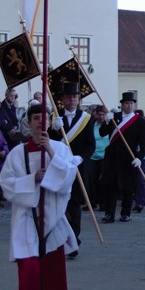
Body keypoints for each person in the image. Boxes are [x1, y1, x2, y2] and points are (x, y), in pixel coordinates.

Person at [0, 103, 80, 290]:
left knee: (49, 271)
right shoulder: (18, 152)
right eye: (36, 119)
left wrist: (52, 155)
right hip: (26, 217)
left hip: (52, 218)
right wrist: (32, 179)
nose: (40, 123)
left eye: (44, 119)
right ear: (29, 122)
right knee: (29, 269)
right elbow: (6, 183)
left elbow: (68, 178)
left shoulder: (59, 149)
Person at [55, 82, 95, 251]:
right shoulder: (55, 118)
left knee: (75, 204)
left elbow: (90, 144)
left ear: (78, 100)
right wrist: (55, 130)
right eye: (68, 97)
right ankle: (61, 237)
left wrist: (81, 158)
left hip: (78, 166)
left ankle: (74, 238)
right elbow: (51, 143)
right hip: (60, 167)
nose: (71, 100)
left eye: (74, 97)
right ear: (63, 100)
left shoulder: (86, 118)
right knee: (60, 204)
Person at [99, 92, 145, 223]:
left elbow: (144, 144)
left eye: (131, 103)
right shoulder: (114, 117)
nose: (129, 106)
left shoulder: (140, 121)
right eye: (127, 103)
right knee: (110, 186)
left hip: (129, 157)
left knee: (128, 187)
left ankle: (126, 213)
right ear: (122, 105)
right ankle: (109, 213)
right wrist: (107, 121)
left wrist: (140, 158)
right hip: (112, 157)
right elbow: (102, 133)